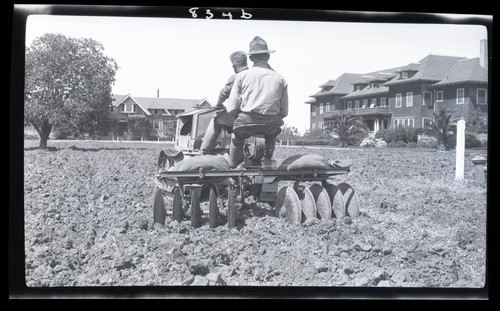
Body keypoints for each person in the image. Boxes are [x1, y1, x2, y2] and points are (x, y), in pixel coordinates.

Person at [224, 36, 288, 168]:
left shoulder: (242, 76)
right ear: (268, 57)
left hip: (247, 121)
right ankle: (268, 160)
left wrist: (240, 117)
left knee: (237, 139)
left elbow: (231, 107)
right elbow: (284, 111)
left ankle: (234, 167)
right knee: (271, 134)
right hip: (271, 123)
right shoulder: (280, 78)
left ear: (251, 58)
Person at [200, 51, 248, 155]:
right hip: (254, 112)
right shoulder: (253, 75)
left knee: (216, 119)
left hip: (240, 114)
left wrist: (218, 104)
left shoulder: (237, 76)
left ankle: (205, 150)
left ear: (234, 64)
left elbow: (224, 93)